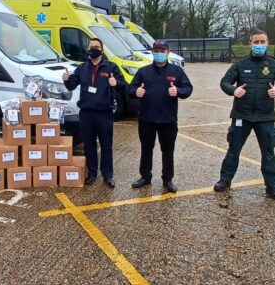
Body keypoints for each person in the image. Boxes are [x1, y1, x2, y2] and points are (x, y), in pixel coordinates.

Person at [216, 30, 275, 201]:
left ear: (267, 43)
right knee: (233, 150)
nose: (259, 45)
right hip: (241, 115)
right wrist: (233, 90)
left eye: (262, 42)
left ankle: (272, 187)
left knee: (268, 153)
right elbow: (225, 82)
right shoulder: (240, 64)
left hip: (265, 116)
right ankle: (225, 180)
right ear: (250, 43)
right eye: (256, 42)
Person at [129, 40, 193, 193]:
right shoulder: (143, 71)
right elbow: (131, 87)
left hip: (168, 119)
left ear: (167, 52)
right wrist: (135, 92)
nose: (159, 53)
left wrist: (178, 91)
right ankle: (145, 176)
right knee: (146, 149)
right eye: (156, 50)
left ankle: (168, 178)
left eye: (162, 50)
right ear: (152, 52)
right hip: (146, 119)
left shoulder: (176, 71)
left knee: (168, 150)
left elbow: (188, 88)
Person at [62, 38, 124, 187]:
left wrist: (116, 84)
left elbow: (124, 85)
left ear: (101, 49)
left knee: (106, 145)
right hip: (86, 113)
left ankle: (108, 175)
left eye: (96, 47)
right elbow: (71, 85)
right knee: (89, 145)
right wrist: (66, 79)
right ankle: (92, 173)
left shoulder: (111, 67)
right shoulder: (83, 68)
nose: (93, 49)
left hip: (104, 113)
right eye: (91, 47)